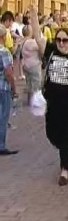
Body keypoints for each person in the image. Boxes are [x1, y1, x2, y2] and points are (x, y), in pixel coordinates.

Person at [29, 6, 68, 185]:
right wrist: (34, 17)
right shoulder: (51, 51)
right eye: (58, 40)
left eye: (65, 40)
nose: (61, 43)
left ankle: (64, 169)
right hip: (52, 101)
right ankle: (63, 148)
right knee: (52, 133)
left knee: (67, 135)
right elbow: (37, 36)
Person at [0, 24, 18, 156]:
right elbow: (8, 72)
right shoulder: (4, 52)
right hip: (3, 88)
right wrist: (14, 88)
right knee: (3, 117)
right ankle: (1, 145)